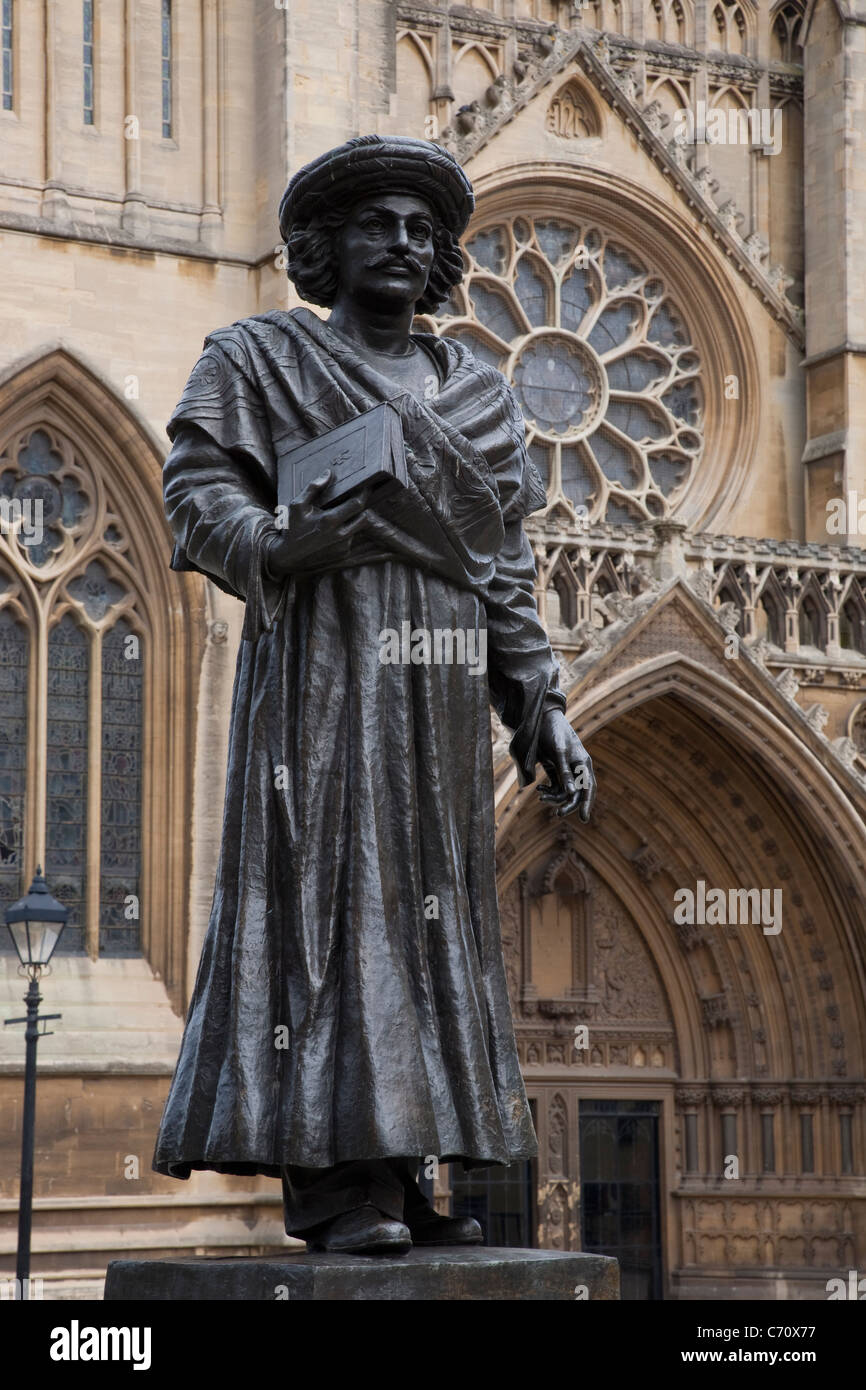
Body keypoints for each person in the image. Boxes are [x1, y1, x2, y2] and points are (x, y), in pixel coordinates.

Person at [152, 136, 596, 1255]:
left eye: (419, 229)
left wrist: (538, 701)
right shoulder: (260, 360)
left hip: (439, 689)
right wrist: (282, 544)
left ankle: (404, 1166)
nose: (401, 242)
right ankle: (333, 1183)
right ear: (324, 246)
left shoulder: (481, 398)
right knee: (326, 897)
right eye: (374, 224)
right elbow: (197, 493)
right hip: (323, 671)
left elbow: (502, 568)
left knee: (425, 905)